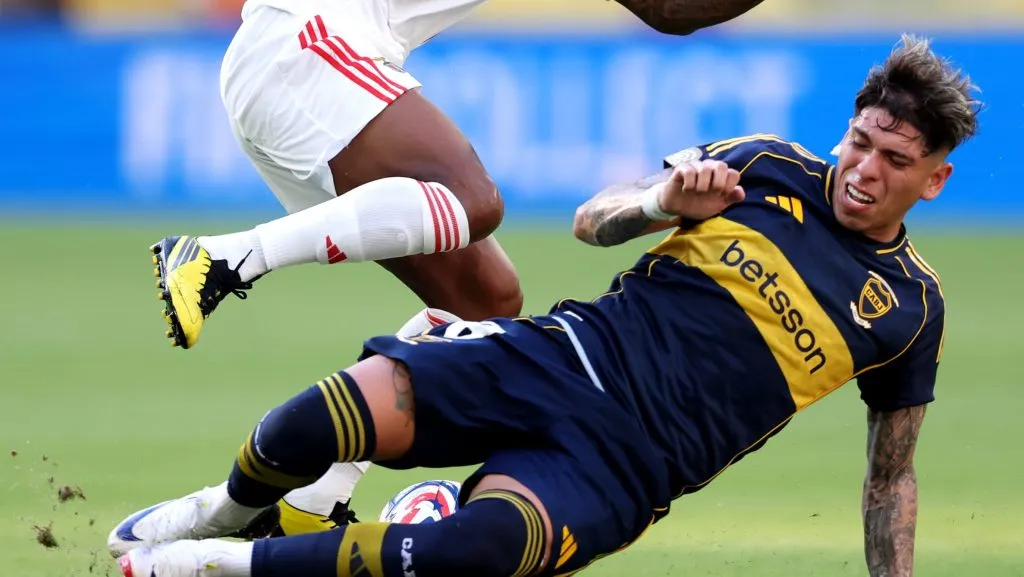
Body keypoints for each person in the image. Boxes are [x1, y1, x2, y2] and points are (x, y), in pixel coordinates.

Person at [112, 32, 974, 577]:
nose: (865, 169)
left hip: (627, 467)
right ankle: (229, 509)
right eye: (860, 141)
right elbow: (593, 220)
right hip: (562, 356)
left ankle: (214, 563)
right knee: (321, 419)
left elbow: (890, 476)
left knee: (476, 550)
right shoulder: (766, 164)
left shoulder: (909, 309)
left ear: (933, 179)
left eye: (895, 161)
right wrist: (662, 202)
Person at [151, 0, 768, 538]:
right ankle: (225, 258)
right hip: (306, 46)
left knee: (485, 298)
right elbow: (670, 10)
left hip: (298, 63)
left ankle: (312, 501)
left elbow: (667, 9)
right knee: (473, 201)